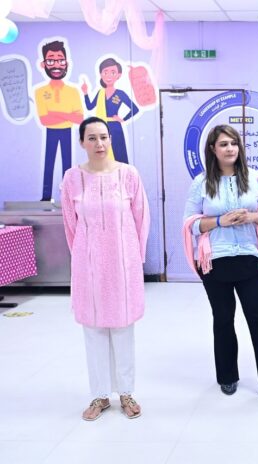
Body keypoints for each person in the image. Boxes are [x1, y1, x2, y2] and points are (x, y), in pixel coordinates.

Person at [182, 124, 258, 397]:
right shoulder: (201, 183)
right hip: (214, 261)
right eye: (223, 144)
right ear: (213, 149)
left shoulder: (254, 179)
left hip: (248, 257)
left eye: (233, 143)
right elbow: (190, 225)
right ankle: (227, 376)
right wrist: (220, 221)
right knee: (223, 319)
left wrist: (252, 217)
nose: (230, 148)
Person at [60, 116, 150, 420]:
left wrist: (134, 259)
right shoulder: (72, 178)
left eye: (104, 137)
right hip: (88, 266)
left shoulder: (128, 175)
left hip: (124, 264)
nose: (99, 143)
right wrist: (82, 256)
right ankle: (99, 396)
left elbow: (141, 218)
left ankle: (126, 392)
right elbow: (70, 225)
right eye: (92, 138)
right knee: (94, 328)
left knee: (123, 328)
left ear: (110, 140)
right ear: (82, 143)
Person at [36, 40, 84, 201]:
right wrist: (66, 115)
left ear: (66, 63)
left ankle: (67, 195)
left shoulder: (73, 91)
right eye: (51, 61)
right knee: (48, 164)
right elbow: (44, 119)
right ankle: (46, 196)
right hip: (50, 131)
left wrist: (55, 113)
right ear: (43, 64)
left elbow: (79, 118)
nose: (57, 65)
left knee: (67, 165)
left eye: (60, 60)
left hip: (67, 131)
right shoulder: (40, 91)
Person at [82, 57, 140, 164]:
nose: (109, 76)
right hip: (100, 128)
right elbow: (90, 106)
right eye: (105, 72)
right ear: (101, 74)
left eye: (113, 72)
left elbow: (135, 109)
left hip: (115, 127)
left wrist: (122, 119)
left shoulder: (120, 94)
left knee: (119, 154)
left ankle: (123, 174)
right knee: (102, 155)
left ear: (118, 75)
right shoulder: (100, 92)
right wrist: (85, 93)